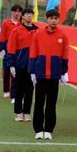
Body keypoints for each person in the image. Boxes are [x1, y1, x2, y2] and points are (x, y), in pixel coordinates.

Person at [28, 9, 69, 141]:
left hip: (54, 75)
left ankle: (49, 130)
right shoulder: (38, 34)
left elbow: (65, 55)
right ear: (47, 19)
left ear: (59, 20)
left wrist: (64, 72)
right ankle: (39, 130)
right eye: (51, 18)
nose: (53, 20)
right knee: (39, 103)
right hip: (40, 74)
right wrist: (32, 71)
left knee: (51, 104)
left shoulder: (63, 36)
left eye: (56, 18)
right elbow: (33, 53)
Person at [8, 7, 39, 122]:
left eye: (31, 14)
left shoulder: (38, 31)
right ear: (23, 16)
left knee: (30, 90)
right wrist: (11, 64)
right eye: (27, 14)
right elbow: (11, 48)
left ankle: (27, 112)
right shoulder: (17, 30)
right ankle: (18, 112)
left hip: (33, 66)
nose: (29, 16)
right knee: (19, 90)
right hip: (20, 65)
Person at [0, 5, 23, 100]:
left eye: (19, 12)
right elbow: (2, 36)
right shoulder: (6, 23)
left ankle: (15, 92)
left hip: (19, 51)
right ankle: (6, 91)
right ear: (12, 12)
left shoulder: (22, 24)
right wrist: (2, 49)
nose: (17, 13)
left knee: (17, 72)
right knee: (7, 71)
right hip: (8, 51)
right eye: (15, 11)